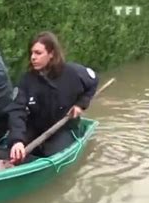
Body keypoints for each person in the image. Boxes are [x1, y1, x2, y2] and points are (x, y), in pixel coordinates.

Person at [8, 31, 99, 164]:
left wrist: (81, 104)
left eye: (38, 53)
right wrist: (17, 140)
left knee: (50, 155)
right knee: (13, 150)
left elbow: (94, 81)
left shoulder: (73, 73)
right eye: (32, 53)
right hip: (36, 126)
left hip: (63, 127)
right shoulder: (27, 80)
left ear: (51, 54)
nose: (33, 57)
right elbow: (17, 110)